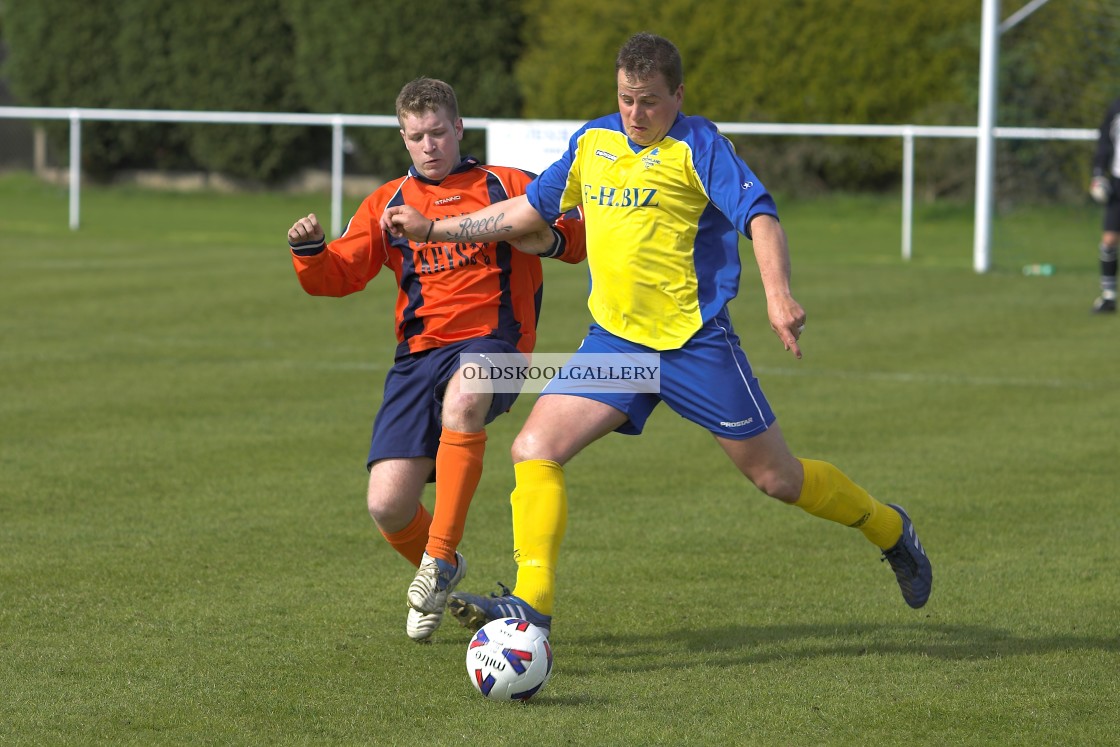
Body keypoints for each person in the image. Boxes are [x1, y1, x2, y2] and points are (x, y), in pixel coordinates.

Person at [382, 34, 932, 637]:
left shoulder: (701, 146)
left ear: (678, 95)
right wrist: (436, 228)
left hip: (695, 346)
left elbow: (762, 219)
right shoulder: (593, 141)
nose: (635, 114)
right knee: (534, 449)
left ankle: (887, 527)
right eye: (625, 99)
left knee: (779, 479)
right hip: (618, 346)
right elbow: (527, 212)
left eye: (648, 101)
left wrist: (778, 294)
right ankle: (531, 602)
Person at [287, 77, 585, 642]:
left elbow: (577, 234)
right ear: (404, 140)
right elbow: (340, 273)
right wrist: (309, 252)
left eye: (439, 133)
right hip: (417, 359)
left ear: (459, 129)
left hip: (498, 346)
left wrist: (544, 239)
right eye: (417, 136)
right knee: (388, 505)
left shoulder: (507, 185)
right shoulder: (386, 203)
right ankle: (443, 563)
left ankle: (440, 558)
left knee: (468, 390)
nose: (430, 146)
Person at [1089, 95, 1120, 314]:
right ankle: (1108, 297)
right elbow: (1104, 142)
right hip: (1119, 182)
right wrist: (1099, 173)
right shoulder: (1117, 106)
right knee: (1109, 240)